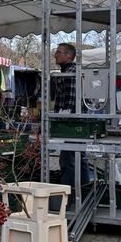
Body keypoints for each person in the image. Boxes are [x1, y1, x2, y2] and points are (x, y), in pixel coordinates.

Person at [51, 43, 92, 186]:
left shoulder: (72, 72)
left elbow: (70, 101)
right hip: (75, 123)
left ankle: (67, 194)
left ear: (68, 55)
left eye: (58, 52)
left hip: (73, 124)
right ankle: (83, 191)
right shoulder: (67, 71)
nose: (55, 55)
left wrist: (59, 119)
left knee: (68, 159)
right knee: (79, 157)